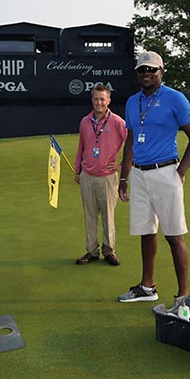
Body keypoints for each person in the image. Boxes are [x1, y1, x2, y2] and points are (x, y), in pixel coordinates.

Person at [117, 51, 190, 305]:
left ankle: (183, 296)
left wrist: (180, 172)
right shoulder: (133, 102)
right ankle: (147, 286)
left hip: (166, 172)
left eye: (151, 70)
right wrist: (124, 178)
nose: (146, 74)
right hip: (139, 174)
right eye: (142, 70)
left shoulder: (175, 98)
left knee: (174, 235)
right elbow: (130, 140)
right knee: (146, 231)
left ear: (161, 72)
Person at [74, 84, 127, 266]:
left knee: (108, 216)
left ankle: (109, 251)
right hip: (87, 175)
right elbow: (81, 147)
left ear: (108, 100)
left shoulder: (118, 122)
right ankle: (92, 251)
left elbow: (132, 144)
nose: (99, 102)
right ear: (92, 100)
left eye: (102, 99)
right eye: (96, 99)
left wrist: (122, 164)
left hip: (108, 176)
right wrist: (77, 170)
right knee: (90, 216)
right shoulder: (85, 122)